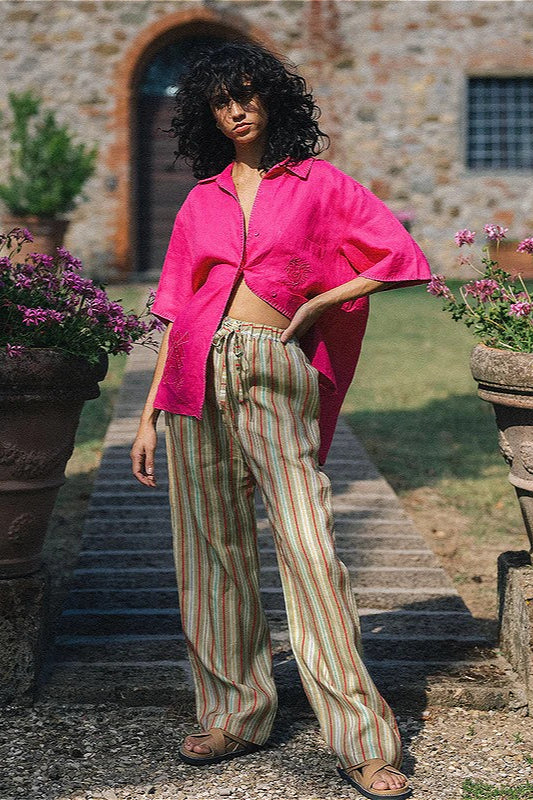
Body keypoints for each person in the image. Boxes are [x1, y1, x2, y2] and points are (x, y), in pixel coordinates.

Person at [131, 40, 430, 800]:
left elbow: (397, 255)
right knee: (210, 550)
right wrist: (147, 416)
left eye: (246, 95)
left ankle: (362, 740)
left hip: (273, 363)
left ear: (270, 99)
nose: (236, 110)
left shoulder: (318, 184)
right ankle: (233, 714)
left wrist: (323, 299)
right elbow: (174, 312)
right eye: (220, 102)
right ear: (207, 117)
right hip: (194, 374)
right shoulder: (200, 200)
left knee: (308, 544)